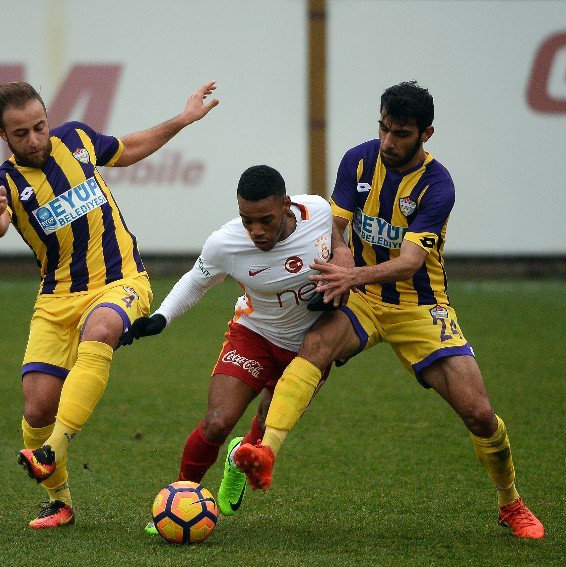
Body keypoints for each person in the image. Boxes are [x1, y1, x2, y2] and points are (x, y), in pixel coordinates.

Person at [234, 81, 545, 539]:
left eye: (400, 133)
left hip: (421, 306)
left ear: (426, 134)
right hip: (361, 298)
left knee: (478, 413)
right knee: (315, 345)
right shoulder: (357, 160)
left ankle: (509, 501)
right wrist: (342, 258)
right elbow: (335, 227)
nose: (387, 142)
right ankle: (266, 451)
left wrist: (350, 275)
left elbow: (411, 261)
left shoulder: (438, 185)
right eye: (383, 128)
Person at [0, 80, 219, 528]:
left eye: (39, 126)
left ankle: (55, 449)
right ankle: (60, 503)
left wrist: (182, 120)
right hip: (56, 299)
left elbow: (127, 148)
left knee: (103, 329)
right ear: (2, 136)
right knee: (36, 410)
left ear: (49, 119)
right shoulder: (4, 185)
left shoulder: (77, 138)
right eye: (21, 134)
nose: (34, 139)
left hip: (121, 280)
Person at [120, 165, 334, 528]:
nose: (256, 231)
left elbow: (349, 251)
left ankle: (238, 459)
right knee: (217, 423)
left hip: (310, 347)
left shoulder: (320, 214)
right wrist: (161, 318)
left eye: (265, 220)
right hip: (254, 336)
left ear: (286, 205)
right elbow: (195, 281)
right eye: (247, 221)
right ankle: (180, 501)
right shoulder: (226, 243)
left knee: (266, 428)